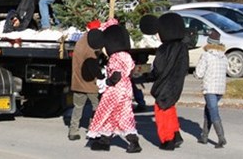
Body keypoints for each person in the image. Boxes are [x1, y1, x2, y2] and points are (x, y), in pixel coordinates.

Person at [87, 24, 142, 153]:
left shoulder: (115, 57)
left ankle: (133, 141)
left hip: (116, 90)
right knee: (115, 114)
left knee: (113, 113)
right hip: (126, 88)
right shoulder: (127, 55)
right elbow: (130, 71)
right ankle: (104, 140)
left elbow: (116, 75)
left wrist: (106, 82)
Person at [141, 13, 189, 150]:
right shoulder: (182, 47)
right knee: (170, 109)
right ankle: (176, 134)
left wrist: (147, 76)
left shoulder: (164, 49)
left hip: (164, 85)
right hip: (176, 84)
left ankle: (167, 140)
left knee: (161, 113)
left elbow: (158, 69)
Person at [67, 20, 105, 141]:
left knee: (78, 107)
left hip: (78, 80)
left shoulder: (81, 41)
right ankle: (93, 129)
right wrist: (101, 77)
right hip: (90, 83)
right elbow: (92, 65)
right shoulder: (91, 44)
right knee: (97, 106)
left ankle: (73, 131)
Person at [194, 30, 228, 148]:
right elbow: (227, 70)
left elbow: (199, 73)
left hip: (210, 89)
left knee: (213, 112)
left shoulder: (206, 55)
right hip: (220, 89)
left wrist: (195, 74)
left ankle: (221, 138)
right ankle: (204, 136)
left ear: (208, 42)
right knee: (208, 110)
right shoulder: (223, 56)